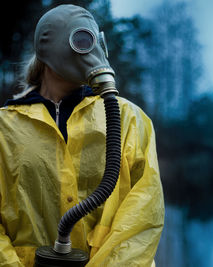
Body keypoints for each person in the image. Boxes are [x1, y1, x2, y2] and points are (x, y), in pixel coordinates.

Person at [0, 4, 164, 267]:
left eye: (95, 41)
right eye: (81, 41)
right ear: (48, 48)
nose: (95, 53)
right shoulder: (4, 128)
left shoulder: (129, 120)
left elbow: (143, 218)